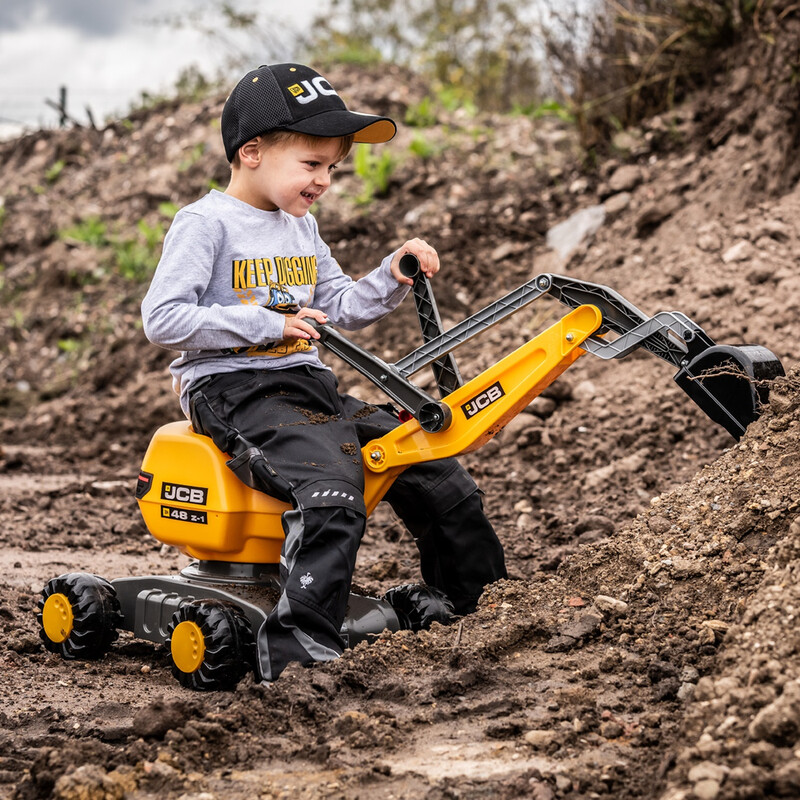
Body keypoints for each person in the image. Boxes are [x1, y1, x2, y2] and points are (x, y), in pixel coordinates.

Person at [141, 63, 506, 681]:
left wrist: (391, 274)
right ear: (251, 152)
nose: (325, 181)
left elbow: (334, 309)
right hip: (232, 391)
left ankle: (481, 607)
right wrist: (268, 324)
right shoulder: (206, 223)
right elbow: (164, 318)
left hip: (306, 389)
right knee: (333, 491)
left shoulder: (301, 228)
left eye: (332, 167)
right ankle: (299, 652)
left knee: (429, 464)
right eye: (313, 164)